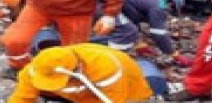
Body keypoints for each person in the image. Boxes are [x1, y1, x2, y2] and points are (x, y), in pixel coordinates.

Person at [8, 43, 153, 103]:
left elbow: (114, 98)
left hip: (125, 88)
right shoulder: (38, 68)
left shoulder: (105, 67)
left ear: (75, 71)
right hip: (80, 91)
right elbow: (22, 97)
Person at [97, 0, 192, 67]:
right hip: (104, 0)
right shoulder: (159, 6)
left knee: (122, 29)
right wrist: (173, 54)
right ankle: (110, 64)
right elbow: (158, 34)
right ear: (172, 5)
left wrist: (139, 44)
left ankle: (92, 46)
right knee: (126, 32)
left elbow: (131, 17)